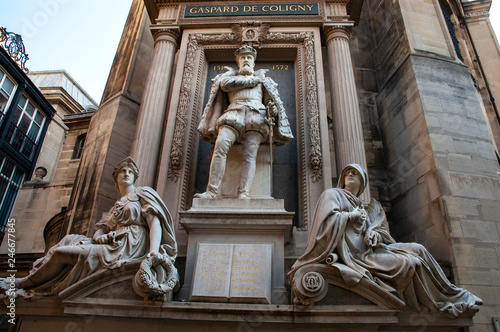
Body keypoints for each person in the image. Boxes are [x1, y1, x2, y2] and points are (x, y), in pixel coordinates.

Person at [288, 163, 482, 317]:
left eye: (355, 173)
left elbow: (380, 234)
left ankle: (453, 295)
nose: (350, 175)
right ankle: (433, 305)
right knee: (410, 262)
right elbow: (324, 228)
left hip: (371, 251)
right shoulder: (333, 195)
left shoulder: (364, 208)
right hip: (355, 258)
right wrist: (350, 217)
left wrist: (374, 235)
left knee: (418, 249)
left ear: (362, 182)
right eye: (347, 172)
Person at [0, 157, 177, 297]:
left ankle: (23, 283)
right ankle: (30, 282)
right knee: (69, 239)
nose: (126, 173)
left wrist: (153, 252)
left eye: (130, 171)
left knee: (61, 253)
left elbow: (154, 222)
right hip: (113, 244)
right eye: (122, 171)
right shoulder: (117, 205)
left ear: (135, 176)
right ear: (116, 179)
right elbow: (101, 227)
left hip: (130, 245)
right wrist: (99, 236)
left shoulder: (142, 193)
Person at [195, 45, 293, 199]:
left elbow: (269, 101)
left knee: (250, 155)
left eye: (249, 58)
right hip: (233, 114)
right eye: (243, 58)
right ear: (239, 62)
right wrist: (253, 80)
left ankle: (243, 192)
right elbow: (225, 86)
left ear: (253, 62)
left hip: (256, 117)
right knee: (220, 145)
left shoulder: (264, 82)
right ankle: (212, 191)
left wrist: (272, 110)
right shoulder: (229, 79)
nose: (246, 60)